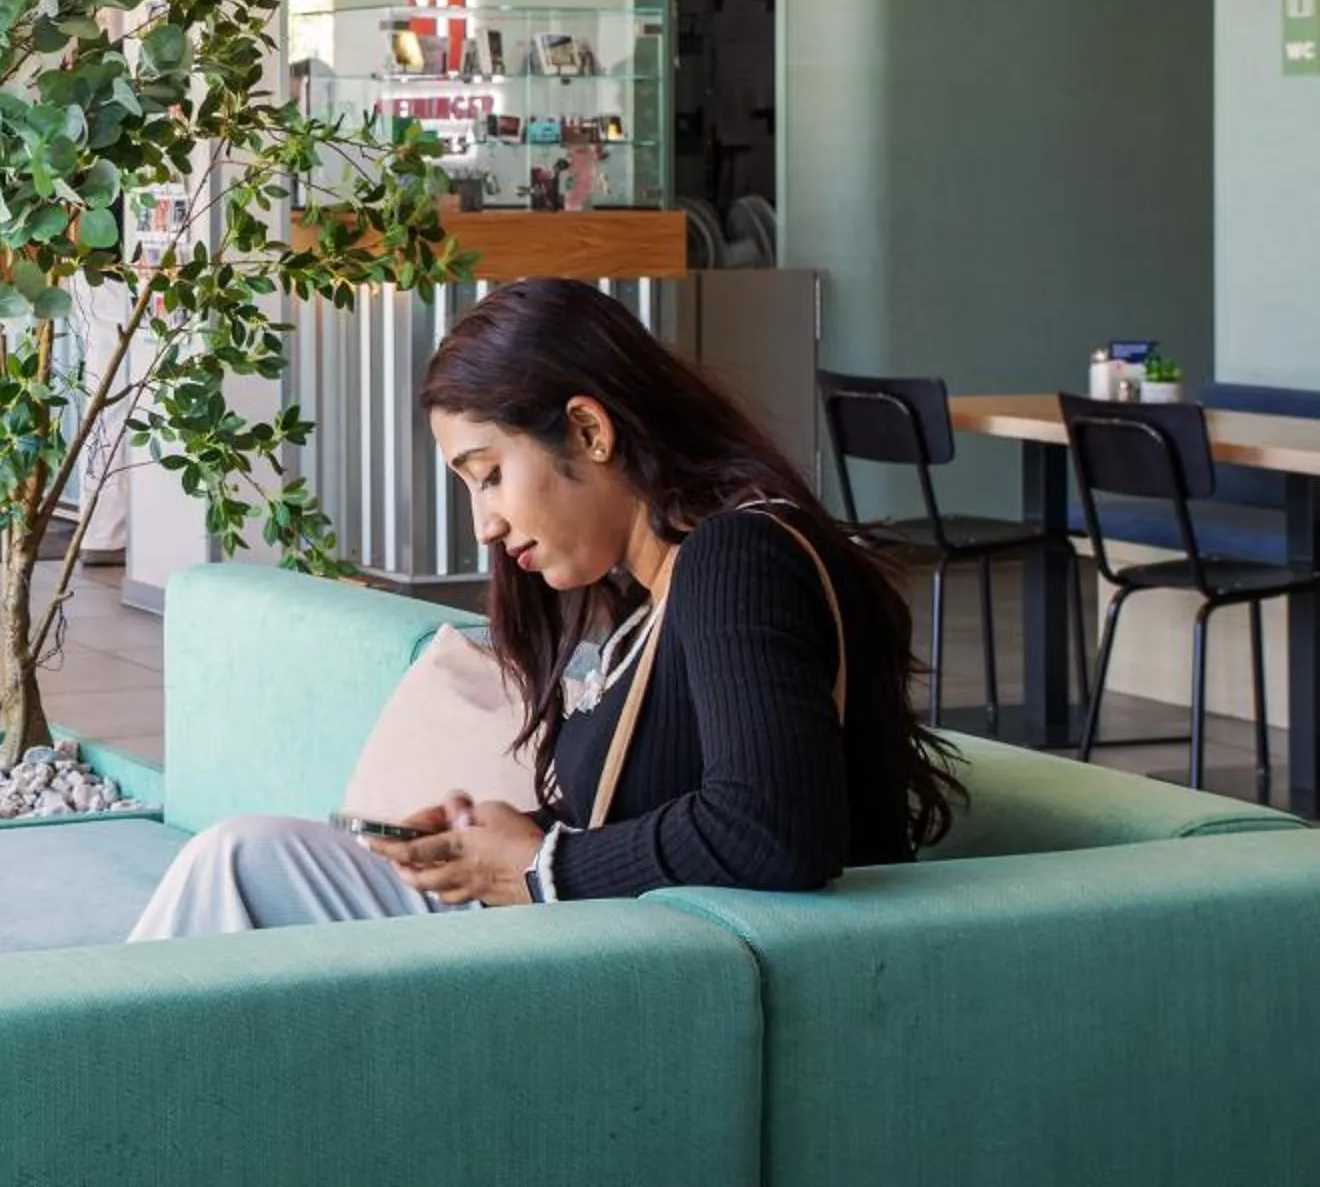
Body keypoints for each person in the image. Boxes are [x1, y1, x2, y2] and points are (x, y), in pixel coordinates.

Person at [130, 277, 961, 938]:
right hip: (609, 940)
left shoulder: (737, 556)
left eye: (489, 474)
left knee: (237, 865)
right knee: (246, 856)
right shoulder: (655, 603)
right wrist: (488, 844)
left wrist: (537, 869)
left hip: (646, 969)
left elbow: (773, 826)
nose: (485, 523)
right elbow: (654, 813)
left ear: (591, 431)